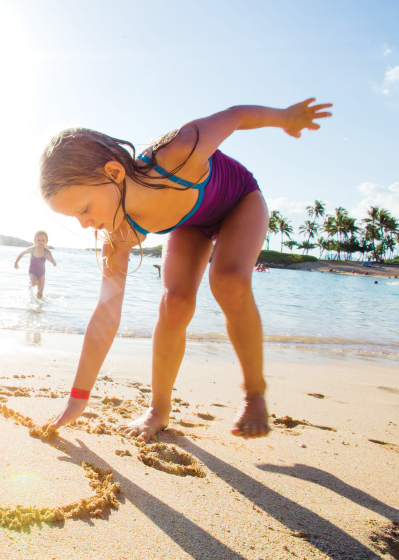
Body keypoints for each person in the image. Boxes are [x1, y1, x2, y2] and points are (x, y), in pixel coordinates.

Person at [40, 98, 332, 441]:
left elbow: (234, 117)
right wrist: (78, 399)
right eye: (75, 217)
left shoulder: (179, 152)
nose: (86, 223)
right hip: (191, 222)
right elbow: (106, 315)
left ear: (114, 173)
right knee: (175, 303)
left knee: (227, 281)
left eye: (85, 208)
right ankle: (158, 410)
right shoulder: (119, 235)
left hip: (240, 201)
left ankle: (254, 392)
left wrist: (285, 117)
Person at [14, 231, 57, 299]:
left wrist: (51, 260)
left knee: (40, 294)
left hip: (42, 274)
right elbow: (22, 254)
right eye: (38, 240)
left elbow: (54, 264)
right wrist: (16, 263)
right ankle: (29, 287)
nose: (41, 242)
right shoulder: (32, 249)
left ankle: (39, 309)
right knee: (34, 282)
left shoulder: (47, 252)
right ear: (35, 241)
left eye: (43, 240)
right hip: (32, 272)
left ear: (46, 241)